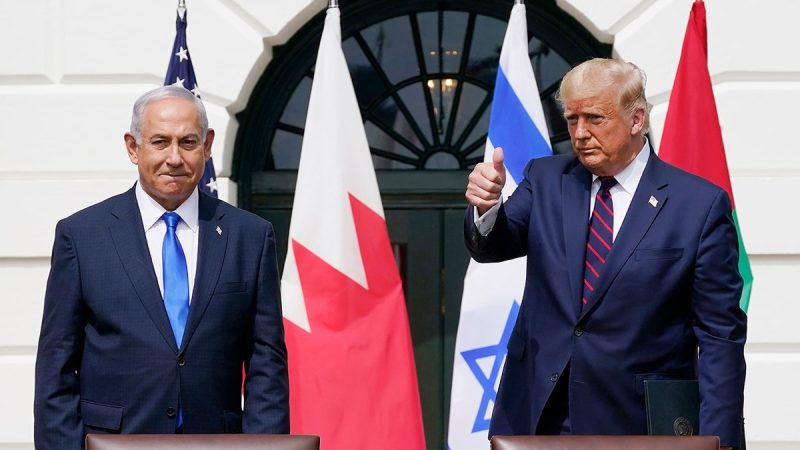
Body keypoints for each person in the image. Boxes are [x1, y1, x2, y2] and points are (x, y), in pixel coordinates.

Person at [465, 58, 746, 449]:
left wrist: (719, 440)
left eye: (595, 118)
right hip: (539, 418)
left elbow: (720, 338)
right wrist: (486, 206)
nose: (580, 133)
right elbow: (494, 244)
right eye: (572, 119)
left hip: (640, 425)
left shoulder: (698, 205)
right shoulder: (546, 180)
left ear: (636, 120)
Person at [34, 85, 289, 448]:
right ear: (133, 147)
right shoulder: (82, 236)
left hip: (217, 443)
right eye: (159, 142)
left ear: (207, 145)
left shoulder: (250, 237)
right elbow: (55, 368)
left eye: (188, 142)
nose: (174, 158)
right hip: (114, 442)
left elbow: (267, 364)